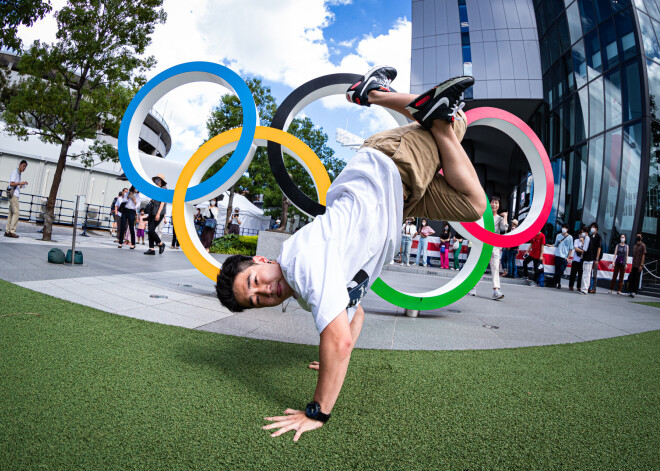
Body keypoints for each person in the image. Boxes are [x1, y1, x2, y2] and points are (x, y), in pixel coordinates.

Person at [217, 66, 484, 441]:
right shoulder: (307, 286)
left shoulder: (302, 266)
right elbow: (353, 315)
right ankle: (413, 107)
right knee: (471, 203)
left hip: (391, 166)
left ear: (261, 261)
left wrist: (317, 412)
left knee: (453, 124)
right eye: (258, 300)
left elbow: (339, 339)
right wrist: (333, 355)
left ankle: (373, 93)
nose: (265, 292)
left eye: (255, 282)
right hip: (401, 196)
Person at [489, 196, 508, 299]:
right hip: (484, 245)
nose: (494, 205)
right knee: (480, 267)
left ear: (499, 205)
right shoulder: (484, 215)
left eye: (496, 203)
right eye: (492, 202)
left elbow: (504, 228)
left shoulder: (500, 218)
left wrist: (505, 216)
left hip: (495, 247)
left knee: (496, 268)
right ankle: (473, 287)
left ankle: (496, 291)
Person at [4, 160, 28, 238]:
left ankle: (7, 231)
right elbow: (11, 183)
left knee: (11, 213)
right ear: (20, 165)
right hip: (13, 195)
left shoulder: (19, 174)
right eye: (23, 165)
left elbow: (16, 184)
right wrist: (20, 183)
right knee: (16, 213)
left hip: (14, 194)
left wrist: (22, 184)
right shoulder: (15, 172)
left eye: (25, 167)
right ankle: (12, 231)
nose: (24, 168)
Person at [144, 174, 167, 255]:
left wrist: (158, 214)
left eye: (158, 179)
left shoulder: (164, 189)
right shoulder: (156, 189)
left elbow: (163, 203)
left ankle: (161, 243)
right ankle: (151, 249)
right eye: (156, 179)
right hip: (152, 212)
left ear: (162, 181)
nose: (157, 181)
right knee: (150, 231)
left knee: (151, 230)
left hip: (158, 212)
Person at [549, 223, 573, 289]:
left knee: (561, 270)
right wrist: (550, 245)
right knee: (557, 270)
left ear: (567, 229)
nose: (564, 229)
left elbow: (571, 248)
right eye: (563, 227)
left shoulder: (570, 237)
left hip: (564, 257)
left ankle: (553, 280)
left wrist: (568, 257)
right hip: (558, 255)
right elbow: (556, 244)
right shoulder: (558, 236)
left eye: (565, 228)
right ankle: (558, 283)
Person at [582, 222, 601, 294]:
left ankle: (594, 288)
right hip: (589, 256)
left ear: (596, 228)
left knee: (594, 274)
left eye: (594, 227)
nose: (592, 228)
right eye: (591, 227)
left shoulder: (598, 237)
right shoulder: (589, 236)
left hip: (595, 257)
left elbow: (599, 248)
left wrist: (597, 259)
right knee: (588, 273)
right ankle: (588, 287)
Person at [568, 227, 588, 291]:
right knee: (573, 274)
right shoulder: (576, 240)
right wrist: (582, 251)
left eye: (581, 234)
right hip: (575, 260)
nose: (580, 236)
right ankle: (571, 285)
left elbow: (586, 248)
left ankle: (579, 286)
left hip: (581, 260)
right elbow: (576, 248)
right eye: (579, 234)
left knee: (580, 274)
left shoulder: (585, 241)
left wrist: (583, 242)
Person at [628, 233, 646, 298]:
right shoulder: (635, 246)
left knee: (637, 279)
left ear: (641, 237)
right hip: (634, 265)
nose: (638, 237)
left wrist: (641, 265)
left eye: (639, 236)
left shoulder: (643, 245)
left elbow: (643, 255)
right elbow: (633, 256)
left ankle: (635, 292)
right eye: (637, 236)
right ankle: (631, 291)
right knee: (632, 278)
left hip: (639, 265)